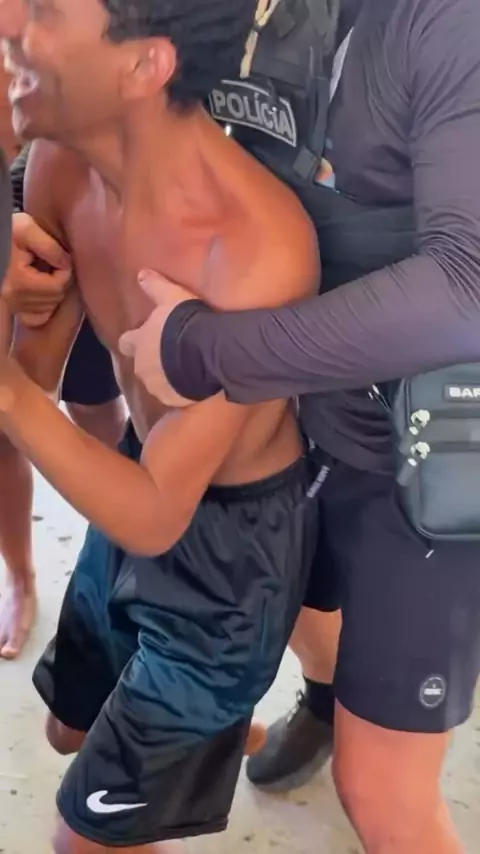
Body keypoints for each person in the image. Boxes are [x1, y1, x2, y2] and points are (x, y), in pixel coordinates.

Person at [117, 1, 480, 853]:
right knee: (309, 596)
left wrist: (207, 349)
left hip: (429, 452)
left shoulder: (448, 24)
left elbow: (467, 287)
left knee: (381, 791)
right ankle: (324, 698)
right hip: (296, 410)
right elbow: (116, 91)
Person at [0, 2, 320, 853]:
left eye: (45, 10)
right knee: (67, 731)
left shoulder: (254, 247)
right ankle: (206, 738)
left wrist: (7, 393)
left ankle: (206, 724)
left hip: (232, 559)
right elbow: (33, 380)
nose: (8, 18)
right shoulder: (60, 167)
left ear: (143, 66)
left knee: (83, 840)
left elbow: (154, 514)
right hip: (137, 475)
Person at [0, 145, 125, 659]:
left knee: (94, 404)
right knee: (9, 431)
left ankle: (126, 551)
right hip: (35, 194)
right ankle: (21, 577)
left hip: (97, 190)